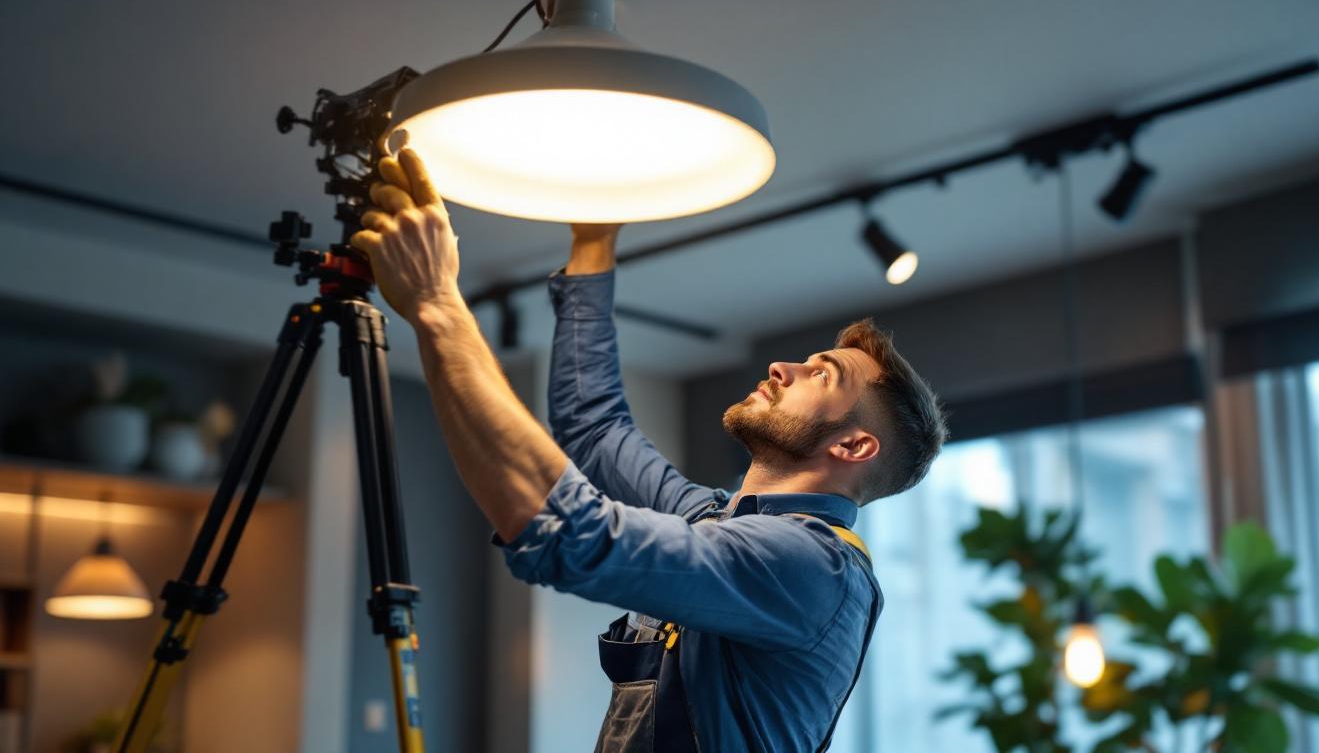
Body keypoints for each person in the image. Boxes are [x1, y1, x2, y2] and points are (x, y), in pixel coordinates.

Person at [351, 148, 948, 752]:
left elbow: (574, 533)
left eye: (822, 375)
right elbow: (595, 426)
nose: (782, 366)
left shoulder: (810, 568)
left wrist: (437, 304)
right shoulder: (716, 521)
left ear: (854, 444)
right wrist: (594, 239)